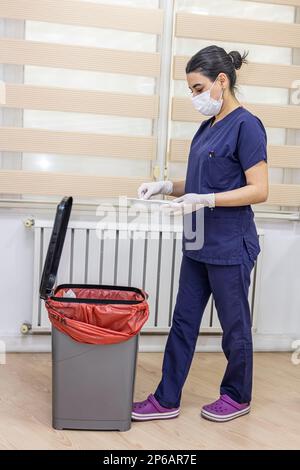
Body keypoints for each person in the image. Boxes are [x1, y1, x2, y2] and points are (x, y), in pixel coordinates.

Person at [132, 45, 268, 423]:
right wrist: (164, 186)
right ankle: (166, 398)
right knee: (183, 322)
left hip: (229, 245)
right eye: (190, 89)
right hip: (197, 243)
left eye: (197, 87)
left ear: (221, 81)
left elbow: (259, 189)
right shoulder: (206, 128)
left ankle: (238, 395)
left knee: (234, 326)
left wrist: (206, 199)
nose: (193, 96)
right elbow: (196, 184)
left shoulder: (247, 125)